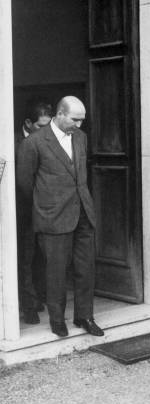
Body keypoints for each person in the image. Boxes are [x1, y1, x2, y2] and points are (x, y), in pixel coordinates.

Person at [17, 96, 103, 338]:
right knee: (55, 272)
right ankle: (57, 320)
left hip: (83, 214)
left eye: (82, 120)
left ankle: (85, 316)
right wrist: (46, 206)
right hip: (53, 217)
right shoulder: (34, 143)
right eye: (75, 119)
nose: (79, 125)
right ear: (60, 114)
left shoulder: (81, 137)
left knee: (86, 269)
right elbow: (25, 183)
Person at [14, 99, 52, 324]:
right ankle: (27, 305)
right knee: (25, 257)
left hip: (45, 210)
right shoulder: (13, 142)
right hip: (23, 211)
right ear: (28, 122)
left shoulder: (46, 141)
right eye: (40, 126)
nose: (45, 132)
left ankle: (38, 297)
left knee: (42, 255)